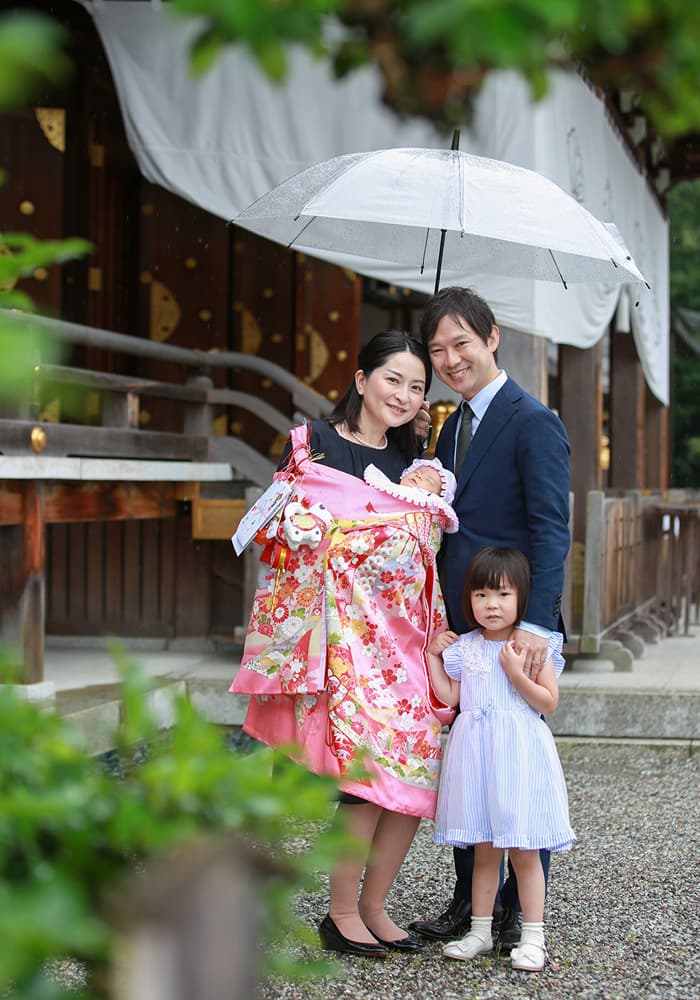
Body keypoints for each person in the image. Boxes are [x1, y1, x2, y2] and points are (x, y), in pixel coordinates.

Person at [230, 330, 456, 959]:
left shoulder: (419, 470)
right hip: (338, 645)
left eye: (417, 387)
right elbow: (279, 528)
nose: (405, 396)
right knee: (365, 780)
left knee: (414, 775)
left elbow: (426, 554)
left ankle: (376, 906)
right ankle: (340, 912)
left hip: (401, 642)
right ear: (360, 379)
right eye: (393, 380)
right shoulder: (314, 446)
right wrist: (310, 528)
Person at [409, 286, 571, 950]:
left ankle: (515, 909)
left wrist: (536, 624)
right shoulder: (451, 425)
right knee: (473, 759)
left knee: (520, 762)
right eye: (438, 349)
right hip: (468, 622)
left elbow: (551, 529)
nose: (450, 359)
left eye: (461, 344)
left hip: (517, 623)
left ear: (492, 337)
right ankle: (470, 902)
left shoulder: (533, 421)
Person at [426, 546, 574, 972]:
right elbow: (452, 698)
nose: (491, 605)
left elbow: (548, 700)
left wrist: (513, 673)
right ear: (468, 599)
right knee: (484, 849)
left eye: (503, 595)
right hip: (476, 758)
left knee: (524, 849)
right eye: (481, 595)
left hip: (519, 756)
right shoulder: (465, 647)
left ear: (521, 598)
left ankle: (533, 936)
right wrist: (434, 658)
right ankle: (479, 930)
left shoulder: (533, 646)